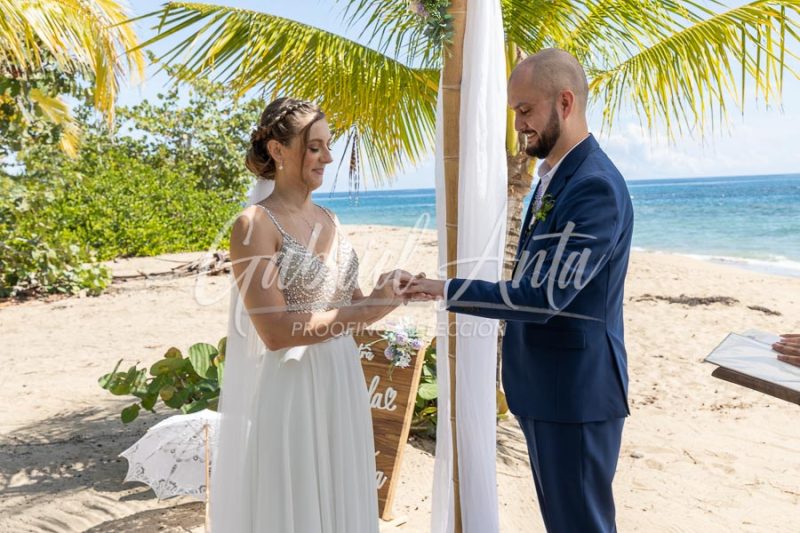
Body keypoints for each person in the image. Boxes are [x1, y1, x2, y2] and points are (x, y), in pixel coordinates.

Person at [404, 49, 634, 532]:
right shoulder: (557, 176)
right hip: (547, 389)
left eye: (525, 110)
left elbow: (542, 297)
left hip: (574, 394)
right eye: (515, 112)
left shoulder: (593, 186)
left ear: (565, 102)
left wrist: (444, 288)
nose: (518, 125)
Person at [212, 97, 411, 533]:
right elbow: (275, 332)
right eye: (314, 147)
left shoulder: (330, 219)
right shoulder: (254, 225)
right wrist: (368, 309)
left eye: (327, 146)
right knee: (299, 503)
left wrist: (386, 294)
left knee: (342, 497)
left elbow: (352, 304)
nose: (328, 158)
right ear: (277, 150)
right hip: (295, 385)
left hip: (343, 378)